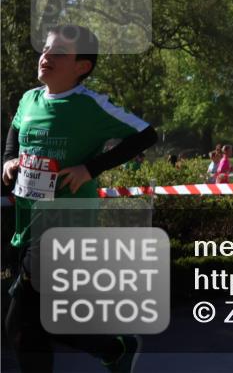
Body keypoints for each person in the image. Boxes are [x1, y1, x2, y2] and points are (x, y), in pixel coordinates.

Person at [2, 24, 157, 373]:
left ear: (81, 67)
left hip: (65, 223)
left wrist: (91, 168)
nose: (45, 57)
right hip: (27, 221)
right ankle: (115, 348)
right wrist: (8, 160)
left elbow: (146, 134)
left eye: (57, 53)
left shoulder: (92, 104)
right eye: (45, 49)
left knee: (21, 323)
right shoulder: (30, 99)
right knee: (43, 321)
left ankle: (115, 347)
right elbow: (15, 130)